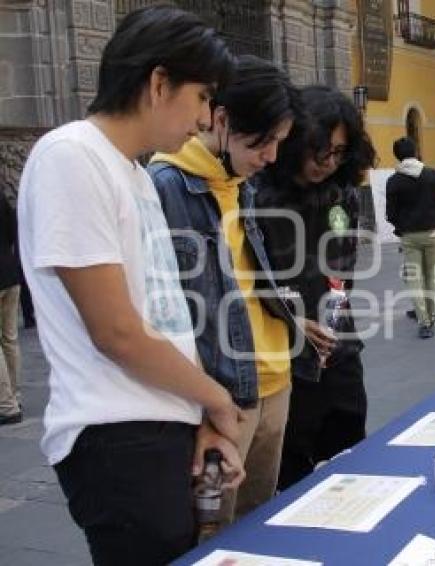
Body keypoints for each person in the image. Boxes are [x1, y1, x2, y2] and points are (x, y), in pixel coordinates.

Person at [16, 7, 245, 565]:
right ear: (159, 82)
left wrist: (199, 416)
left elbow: (162, 316)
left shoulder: (135, 172)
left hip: (160, 426)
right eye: (202, 97)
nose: (204, 118)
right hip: (116, 437)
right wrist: (216, 400)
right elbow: (116, 331)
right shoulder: (71, 156)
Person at [148, 55, 299, 523]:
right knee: (215, 533)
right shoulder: (167, 185)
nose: (271, 156)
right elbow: (166, 312)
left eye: (278, 142)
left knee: (259, 525)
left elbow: (243, 279)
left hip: (275, 382)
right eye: (264, 141)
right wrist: (206, 405)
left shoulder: (238, 179)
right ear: (221, 118)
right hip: (224, 394)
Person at [254, 85, 376, 490]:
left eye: (340, 152)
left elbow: (344, 270)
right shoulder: (258, 197)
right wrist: (294, 322)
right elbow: (252, 281)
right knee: (290, 480)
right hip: (286, 365)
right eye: (320, 149)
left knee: (351, 466)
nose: (327, 162)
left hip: (339, 353)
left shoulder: (344, 195)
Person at [386, 137, 435, 338]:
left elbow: (391, 212)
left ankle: (424, 321)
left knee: (414, 278)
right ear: (416, 151)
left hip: (410, 235)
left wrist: (400, 227)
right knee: (431, 275)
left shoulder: (393, 181)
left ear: (397, 155)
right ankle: (432, 314)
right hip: (432, 232)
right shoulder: (433, 175)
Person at [0, 193, 21, 425]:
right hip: (9, 273)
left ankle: (6, 405)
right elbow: (12, 229)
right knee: (10, 339)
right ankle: (14, 395)